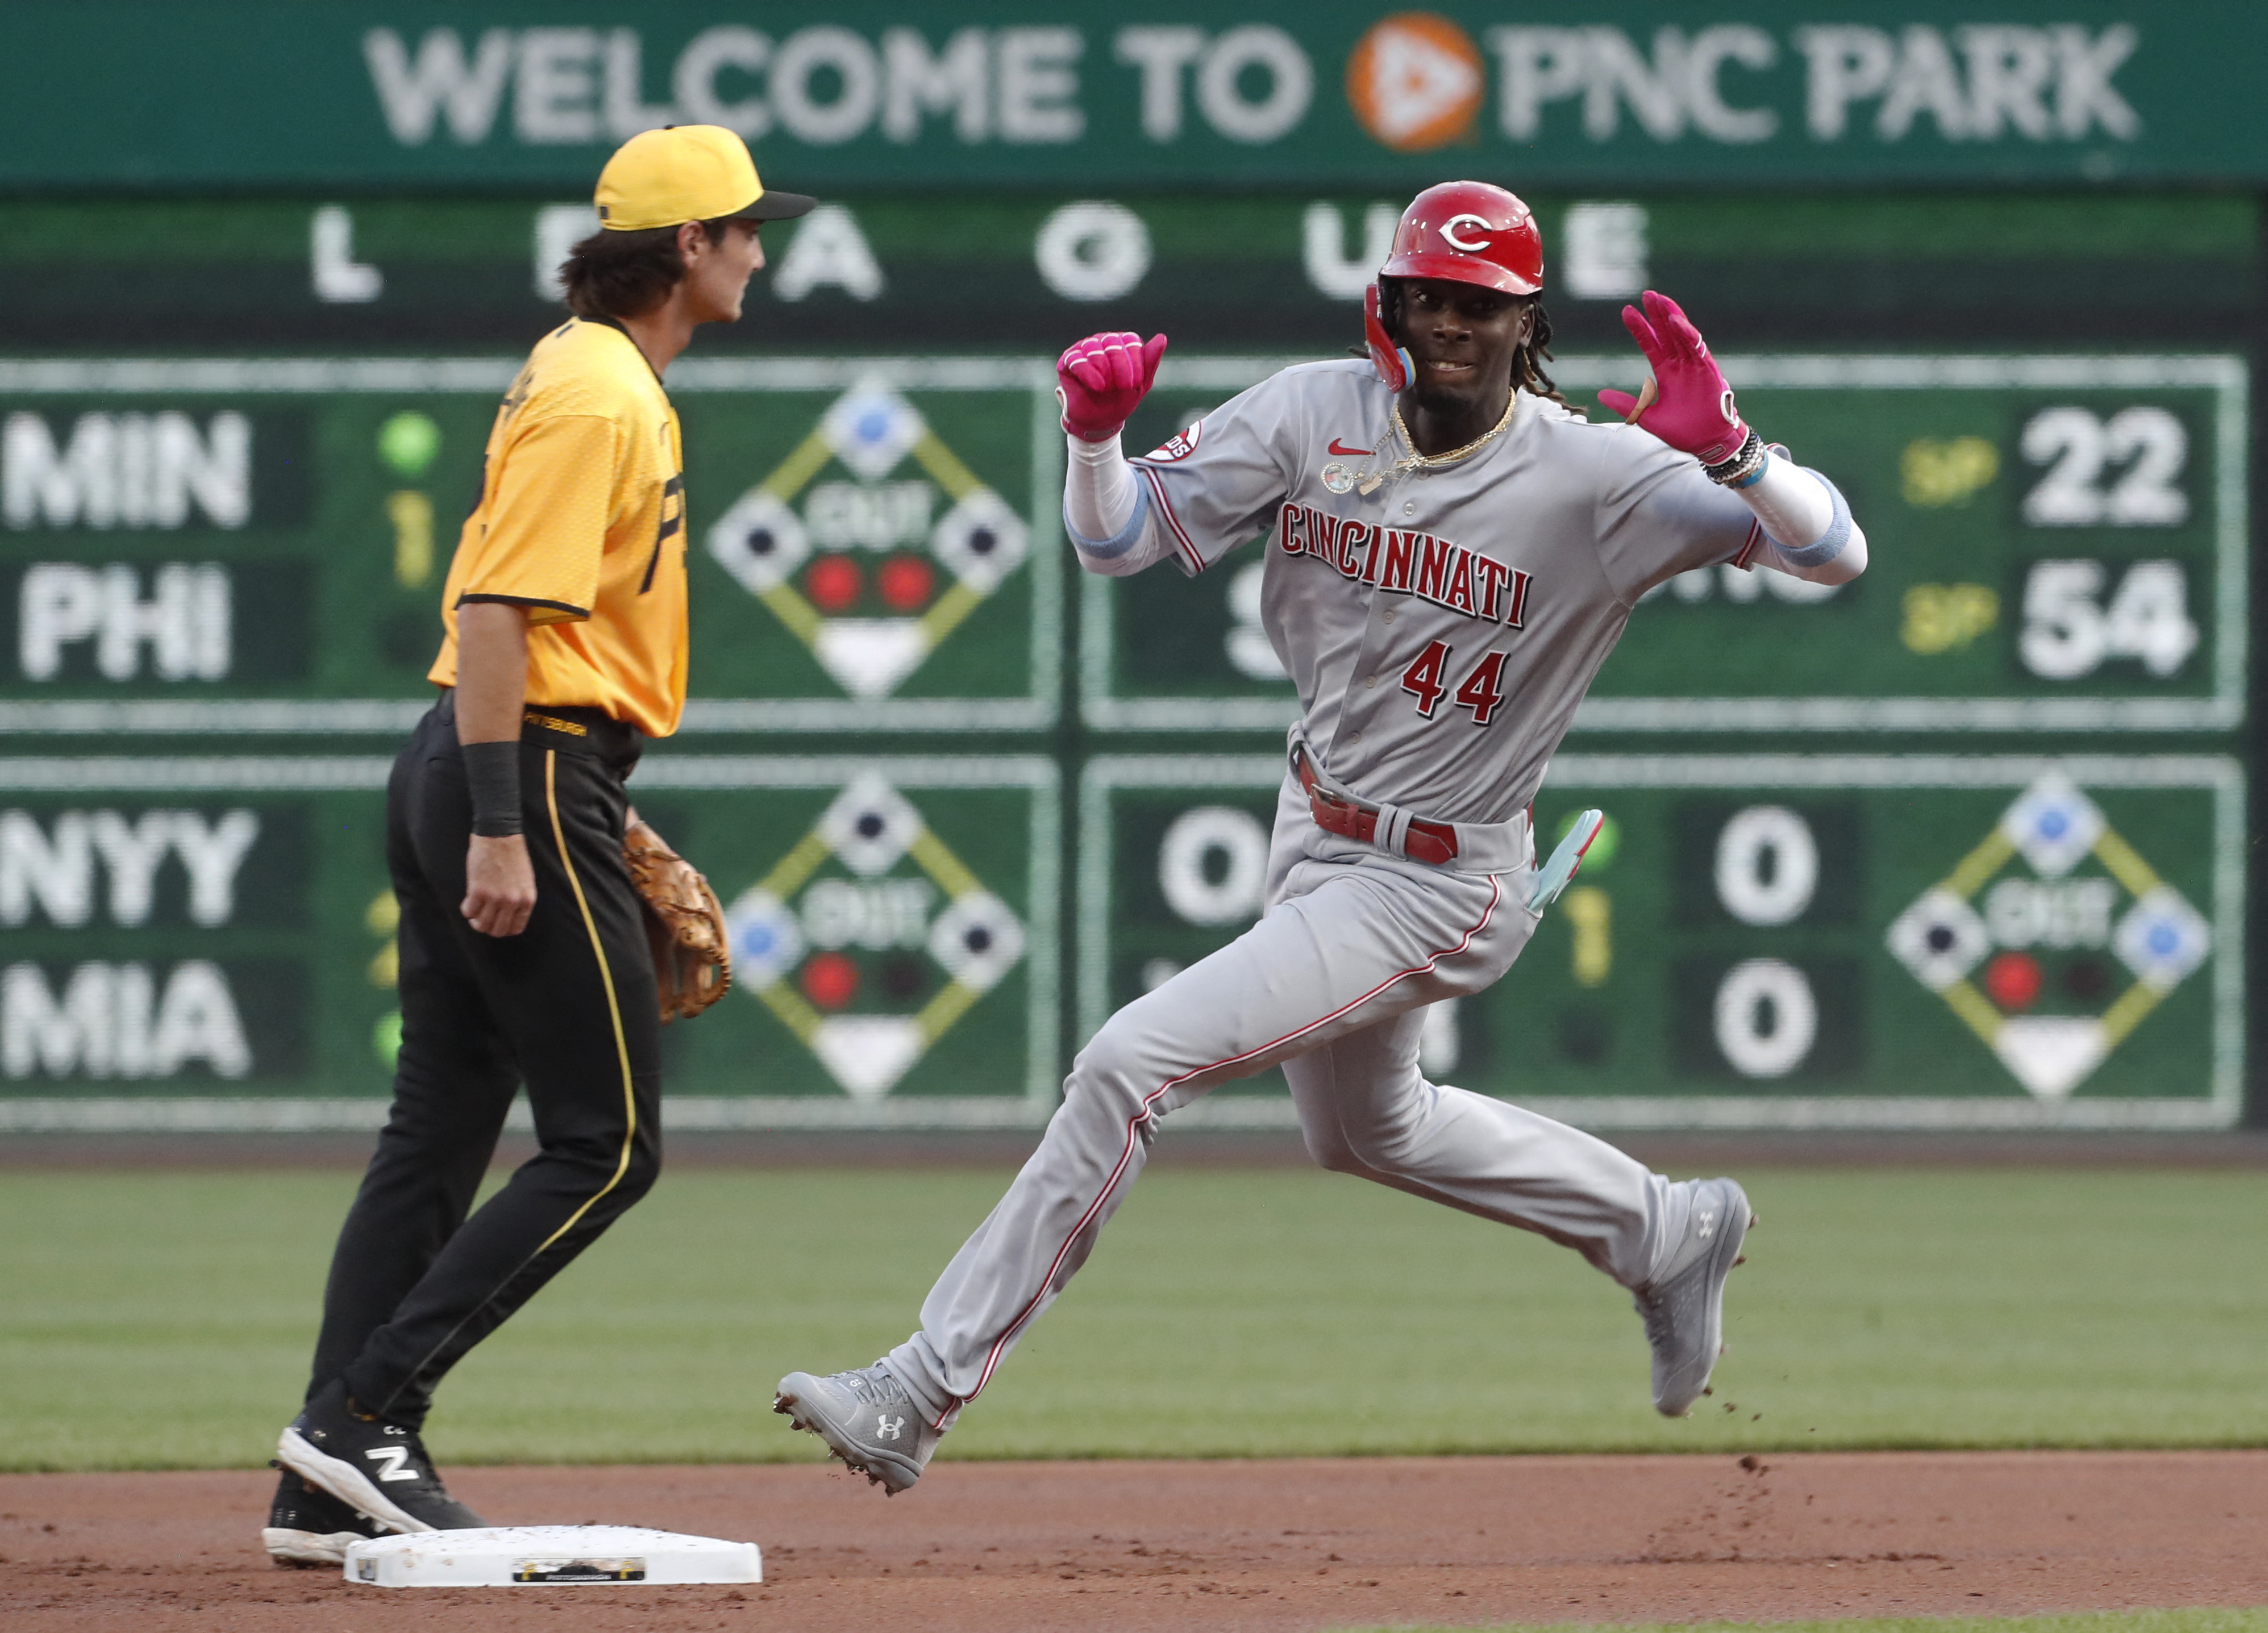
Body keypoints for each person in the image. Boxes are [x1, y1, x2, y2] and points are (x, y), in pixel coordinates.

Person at [774, 181, 1866, 1496]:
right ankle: (1664, 1230)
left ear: (1527, 326)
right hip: (1316, 823)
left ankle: (920, 1388)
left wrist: (1738, 455)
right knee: (1368, 1132)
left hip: (1437, 875)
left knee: (1129, 1062)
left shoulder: (1598, 476)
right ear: (1386, 307)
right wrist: (1093, 438)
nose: (1452, 324)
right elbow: (1118, 541)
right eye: (1429, 298)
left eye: (1482, 305)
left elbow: (1836, 556)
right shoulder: (1310, 411)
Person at [263, 126, 812, 1565]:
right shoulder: (600, 396)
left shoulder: (586, 371)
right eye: (746, 229)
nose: (761, 249)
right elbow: (498, 614)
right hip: (512, 770)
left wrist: (562, 799)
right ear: (688, 247)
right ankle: (367, 1415)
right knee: (609, 1142)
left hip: (499, 759)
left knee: (440, 1127)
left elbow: (535, 630)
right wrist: (512, 825)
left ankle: (325, 1473)